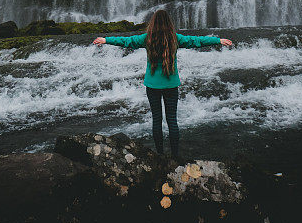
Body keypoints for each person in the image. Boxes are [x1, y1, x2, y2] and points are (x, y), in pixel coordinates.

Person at [93, 9, 232, 159]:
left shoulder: (147, 39)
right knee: (172, 120)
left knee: (157, 120)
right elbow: (196, 41)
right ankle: (175, 156)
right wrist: (218, 40)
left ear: (152, 23)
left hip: (152, 86)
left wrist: (106, 40)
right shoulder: (175, 39)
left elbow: (127, 41)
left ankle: (159, 154)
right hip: (171, 85)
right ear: (169, 23)